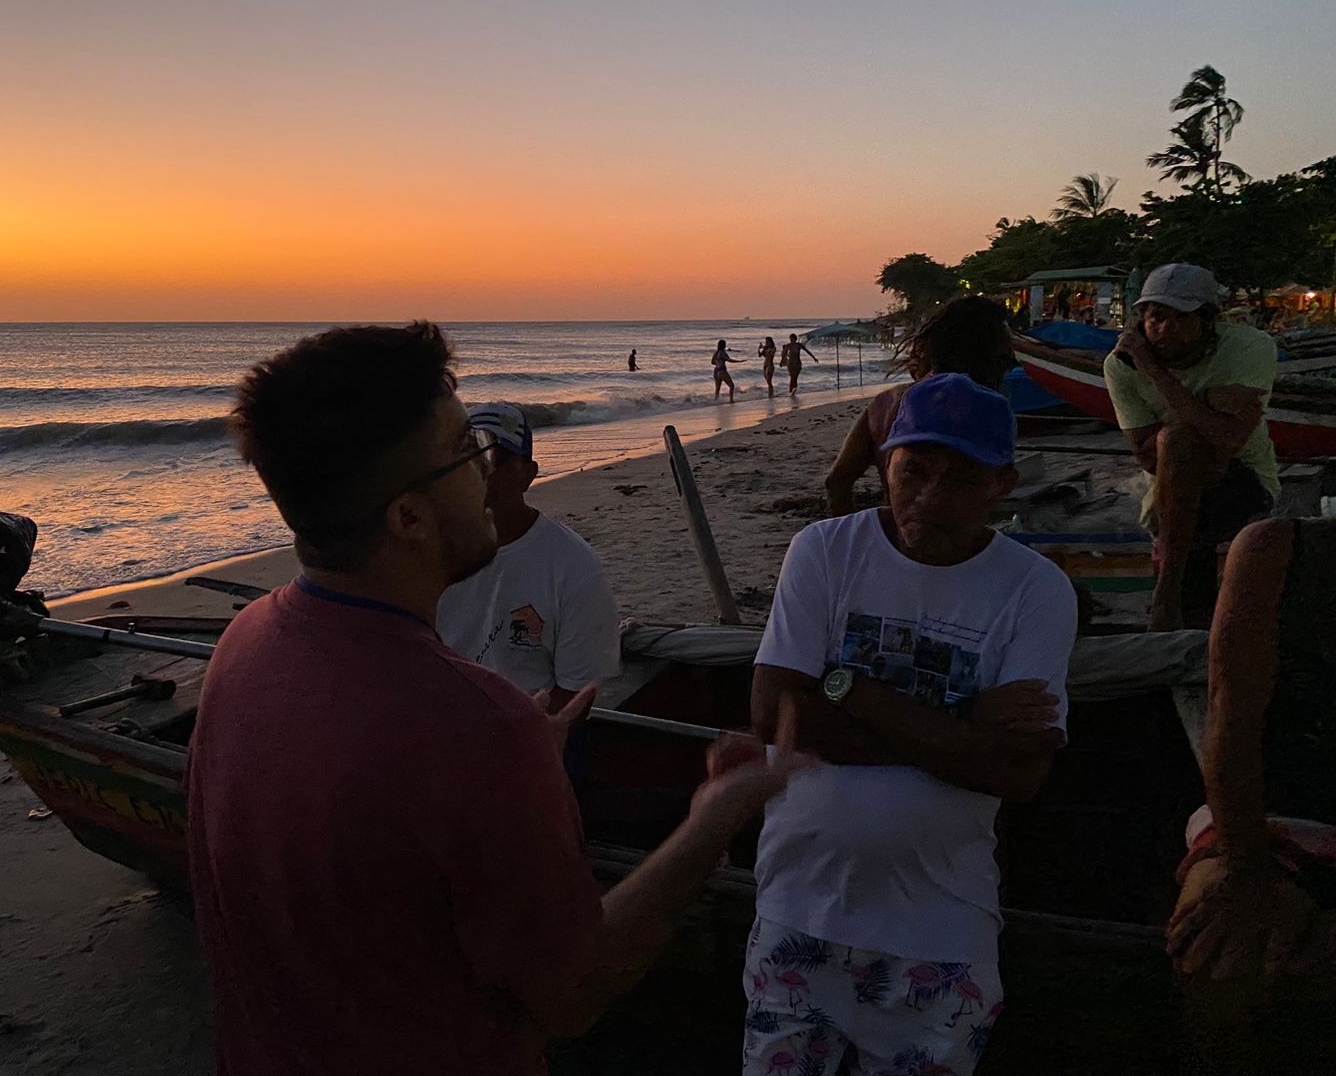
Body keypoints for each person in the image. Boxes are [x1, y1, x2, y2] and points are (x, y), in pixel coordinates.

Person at [186, 321, 805, 1075]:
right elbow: (575, 991)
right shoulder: (477, 728)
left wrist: (509, 769)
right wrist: (713, 817)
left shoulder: (246, 641)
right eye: (465, 453)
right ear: (408, 518)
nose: (485, 473)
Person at [744, 373, 1077, 1075]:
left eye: (960, 479)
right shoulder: (824, 551)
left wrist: (847, 690)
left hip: (942, 929)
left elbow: (1019, 773)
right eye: (913, 471)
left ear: (1003, 485)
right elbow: (776, 715)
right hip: (798, 908)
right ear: (884, 465)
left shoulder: (1035, 588)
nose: (928, 496)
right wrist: (964, 717)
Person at [1166, 516, 1336, 1068]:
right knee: (1221, 958)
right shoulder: (1277, 550)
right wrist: (1245, 870)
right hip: (1270, 823)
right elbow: (1231, 722)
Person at [1104, 264, 1279, 631]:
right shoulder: (1121, 366)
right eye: (1156, 317)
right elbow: (1147, 457)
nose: (1166, 328)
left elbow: (1230, 442)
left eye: (1182, 318)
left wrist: (1155, 373)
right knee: (1176, 444)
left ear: (1207, 321)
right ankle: (1175, 600)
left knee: (1176, 442)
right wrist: (1209, 407)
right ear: (1141, 320)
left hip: (1245, 479)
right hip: (1169, 489)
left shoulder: (1248, 348)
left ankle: (1166, 598)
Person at [437, 403, 621, 703]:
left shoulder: (573, 566)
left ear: (528, 474)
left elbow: (575, 695)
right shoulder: (424, 555)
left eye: (494, 459)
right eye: (465, 459)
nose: (478, 472)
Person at [824, 297, 1013, 517]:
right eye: (1004, 356)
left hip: (901, 528)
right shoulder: (979, 405)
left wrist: (853, 532)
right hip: (956, 532)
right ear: (986, 351)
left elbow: (838, 480)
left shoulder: (885, 403)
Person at [712, 338, 742, 404]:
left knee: (717, 389)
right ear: (724, 345)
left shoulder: (715, 353)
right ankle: (731, 400)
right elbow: (729, 360)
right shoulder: (723, 352)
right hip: (722, 371)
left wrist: (718, 363)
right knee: (731, 385)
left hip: (716, 371)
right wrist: (739, 361)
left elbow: (712, 362)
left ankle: (715, 401)